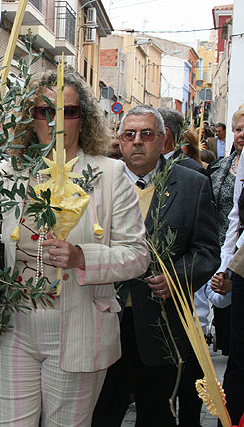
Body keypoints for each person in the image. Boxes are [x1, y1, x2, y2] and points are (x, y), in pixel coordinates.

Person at [0, 68, 150, 426]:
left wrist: (83, 256)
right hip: (13, 326)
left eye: (69, 111)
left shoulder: (110, 176)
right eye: (45, 111)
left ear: (85, 118)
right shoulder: (6, 173)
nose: (57, 122)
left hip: (80, 328)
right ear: (29, 118)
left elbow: (137, 255)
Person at [92, 105, 219, 427]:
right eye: (130, 134)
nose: (138, 142)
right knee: (102, 412)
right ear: (119, 140)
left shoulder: (192, 185)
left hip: (163, 325)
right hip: (106, 319)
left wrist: (176, 277)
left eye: (147, 134)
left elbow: (207, 250)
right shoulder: (95, 181)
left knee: (156, 414)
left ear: (164, 141)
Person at [213, 105, 244, 423]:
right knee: (238, 355)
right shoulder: (230, 167)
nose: (242, 135)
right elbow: (234, 219)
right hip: (240, 264)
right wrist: (223, 267)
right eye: (239, 128)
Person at [157, 107, 209, 177]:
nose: (138, 140)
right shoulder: (145, 166)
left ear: (165, 134)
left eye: (148, 133)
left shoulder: (195, 173)